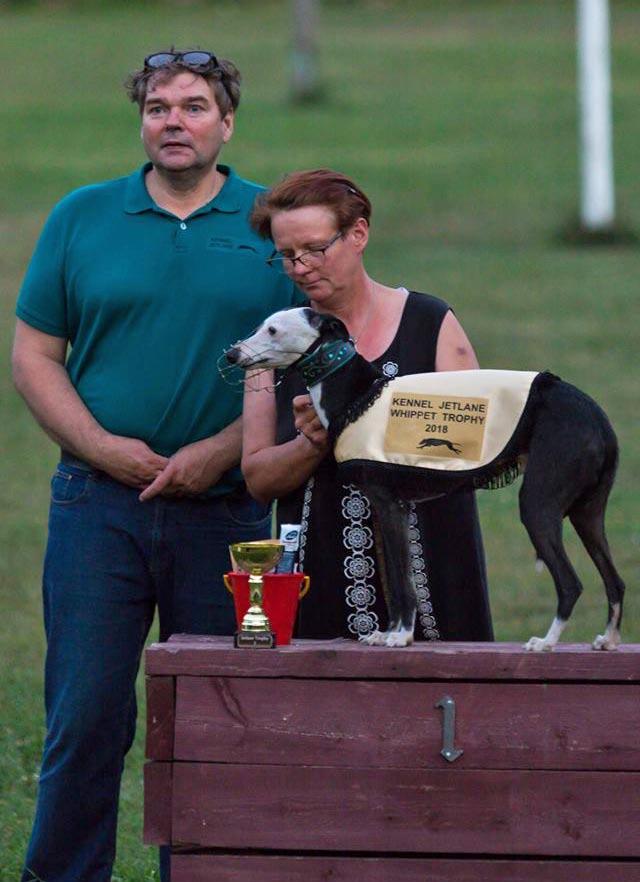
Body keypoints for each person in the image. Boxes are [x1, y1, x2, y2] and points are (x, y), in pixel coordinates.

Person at [12, 50, 302, 882]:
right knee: (85, 716)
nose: (174, 121)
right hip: (96, 503)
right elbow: (35, 355)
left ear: (227, 122)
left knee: (218, 715)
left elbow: (312, 357)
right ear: (142, 122)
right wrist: (101, 447)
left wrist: (220, 452)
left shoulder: (269, 223)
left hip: (231, 514)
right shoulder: (83, 216)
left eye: (195, 106)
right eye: (159, 108)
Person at [242, 169, 493, 643]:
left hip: (434, 566)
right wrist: (312, 442)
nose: (300, 267)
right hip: (320, 569)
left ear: (358, 233)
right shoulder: (269, 343)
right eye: (287, 256)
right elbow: (258, 479)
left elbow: (473, 447)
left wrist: (362, 424)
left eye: (316, 249)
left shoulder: (431, 322)